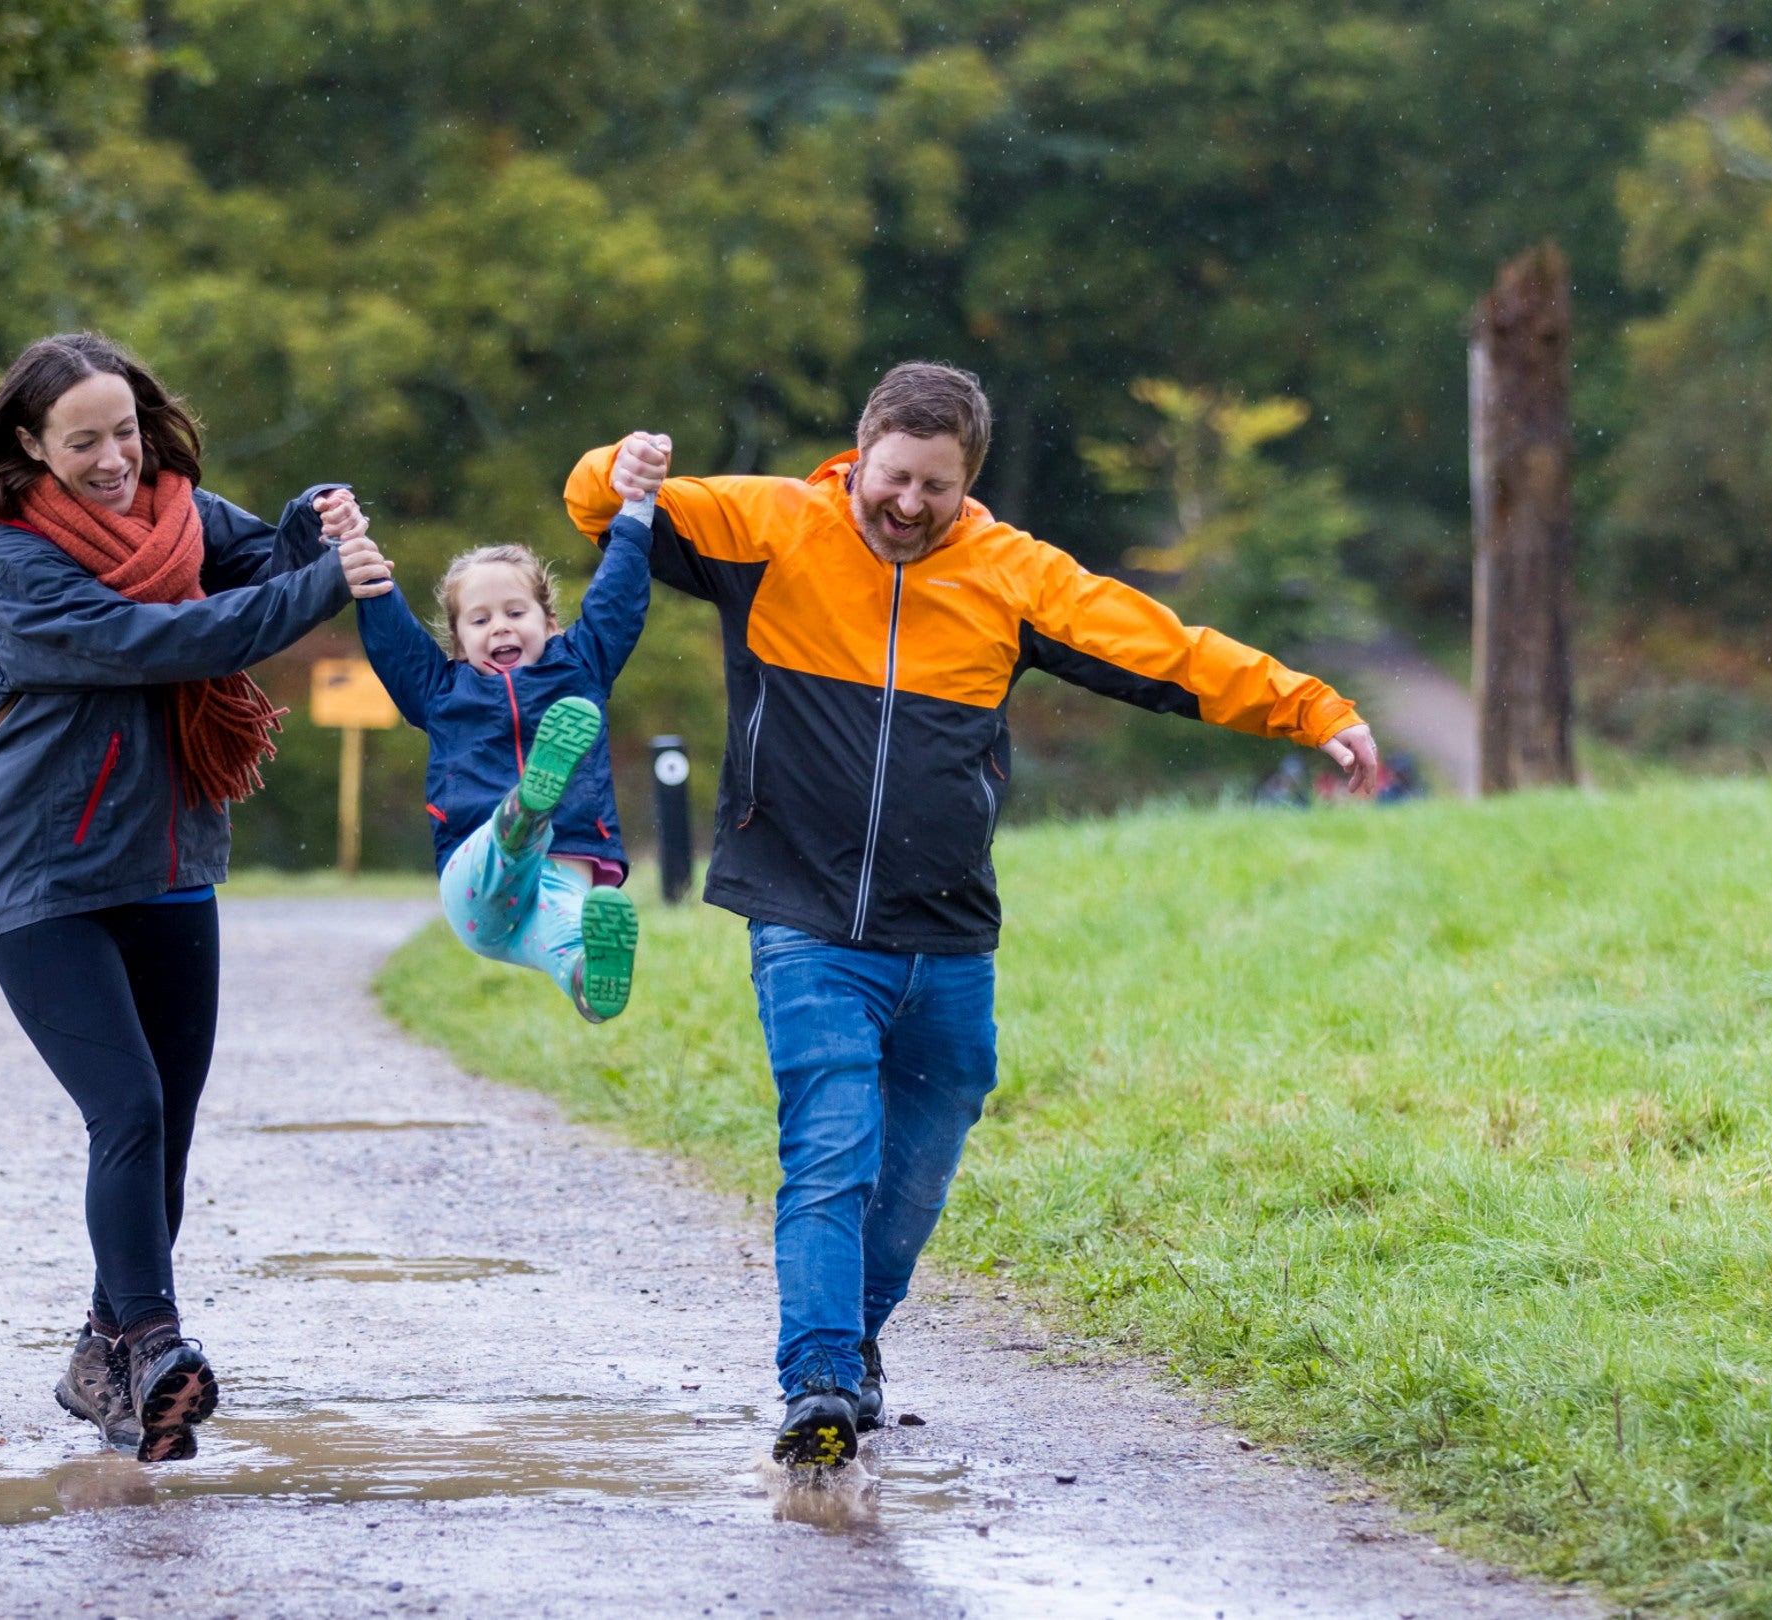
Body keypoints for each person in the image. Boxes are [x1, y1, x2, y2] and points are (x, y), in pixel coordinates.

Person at [563, 362, 1382, 1467]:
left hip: (946, 926)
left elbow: (1167, 650)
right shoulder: (767, 526)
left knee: (920, 1165)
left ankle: (855, 1340)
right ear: (860, 454)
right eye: (894, 478)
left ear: (968, 483)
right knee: (831, 1146)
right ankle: (818, 1379)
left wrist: (1310, 709)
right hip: (802, 912)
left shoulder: (1013, 575)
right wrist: (621, 464)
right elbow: (600, 506)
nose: (908, 504)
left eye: (935, 488)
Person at [0, 332, 392, 1462]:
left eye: (125, 433)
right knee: (128, 1110)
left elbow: (255, 566)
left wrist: (311, 523)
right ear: (30, 446)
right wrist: (322, 586)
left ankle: (105, 1358)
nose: (113, 460)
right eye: (82, 442)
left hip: (171, 864)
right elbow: (172, 638)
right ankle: (153, 1343)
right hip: (45, 880)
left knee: (167, 1131)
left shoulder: (177, 514)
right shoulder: (20, 566)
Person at [345, 475, 658, 1021]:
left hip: (563, 871)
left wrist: (638, 508)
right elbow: (393, 638)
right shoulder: (441, 692)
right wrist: (353, 546)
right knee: (505, 852)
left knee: (566, 933)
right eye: (481, 619)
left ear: (549, 621)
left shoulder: (579, 667)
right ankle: (521, 818)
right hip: (476, 887)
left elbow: (617, 600)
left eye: (516, 613)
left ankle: (588, 983)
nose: (500, 629)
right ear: (459, 640)